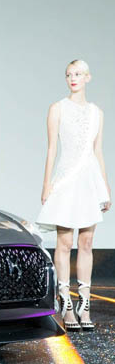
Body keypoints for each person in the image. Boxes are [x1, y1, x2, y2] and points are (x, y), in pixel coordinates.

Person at [36, 59, 110, 332]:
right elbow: (52, 149)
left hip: (89, 179)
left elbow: (98, 151)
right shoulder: (57, 108)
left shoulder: (97, 113)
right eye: (69, 74)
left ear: (88, 77)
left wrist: (105, 187)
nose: (73, 78)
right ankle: (66, 301)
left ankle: (84, 304)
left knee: (87, 241)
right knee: (65, 241)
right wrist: (46, 184)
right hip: (67, 178)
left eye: (78, 74)